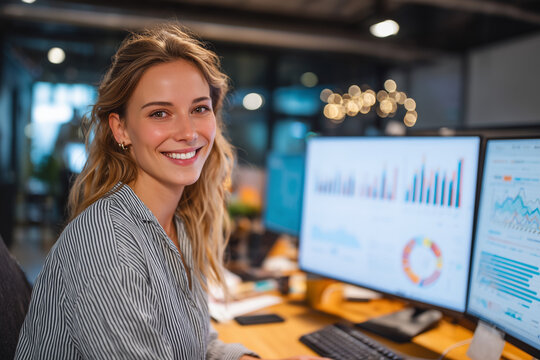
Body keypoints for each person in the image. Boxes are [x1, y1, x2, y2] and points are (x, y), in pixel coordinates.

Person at [15, 23, 329, 360]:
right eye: (160, 113)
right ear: (121, 128)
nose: (188, 132)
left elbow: (196, 345)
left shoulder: (179, 224)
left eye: (199, 109)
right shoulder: (106, 242)